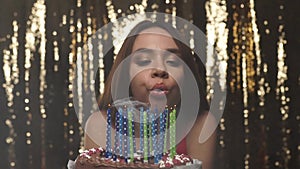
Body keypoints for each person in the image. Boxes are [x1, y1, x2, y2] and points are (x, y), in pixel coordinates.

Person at [84, 20, 217, 169]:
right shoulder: (100, 125)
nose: (159, 69)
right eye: (144, 60)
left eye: (172, 61)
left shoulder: (200, 125)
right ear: (125, 73)